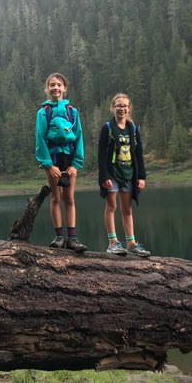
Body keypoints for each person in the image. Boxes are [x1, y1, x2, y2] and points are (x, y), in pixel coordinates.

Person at [35, 72, 87, 252]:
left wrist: (76, 164)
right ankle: (59, 237)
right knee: (56, 197)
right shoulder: (43, 113)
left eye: (59, 84)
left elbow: (79, 136)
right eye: (52, 85)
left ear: (64, 88)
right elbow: (40, 138)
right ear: (47, 89)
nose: (55, 88)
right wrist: (49, 165)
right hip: (53, 160)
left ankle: (72, 238)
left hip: (69, 158)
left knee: (69, 198)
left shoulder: (72, 112)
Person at [97, 93, 151, 257]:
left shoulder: (133, 129)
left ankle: (131, 243)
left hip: (129, 174)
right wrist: (105, 176)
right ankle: (112, 242)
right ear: (113, 108)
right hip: (112, 175)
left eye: (125, 106)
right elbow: (101, 154)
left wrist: (141, 176)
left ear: (129, 108)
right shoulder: (107, 128)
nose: (122, 108)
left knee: (127, 209)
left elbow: (139, 154)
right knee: (111, 207)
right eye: (119, 105)